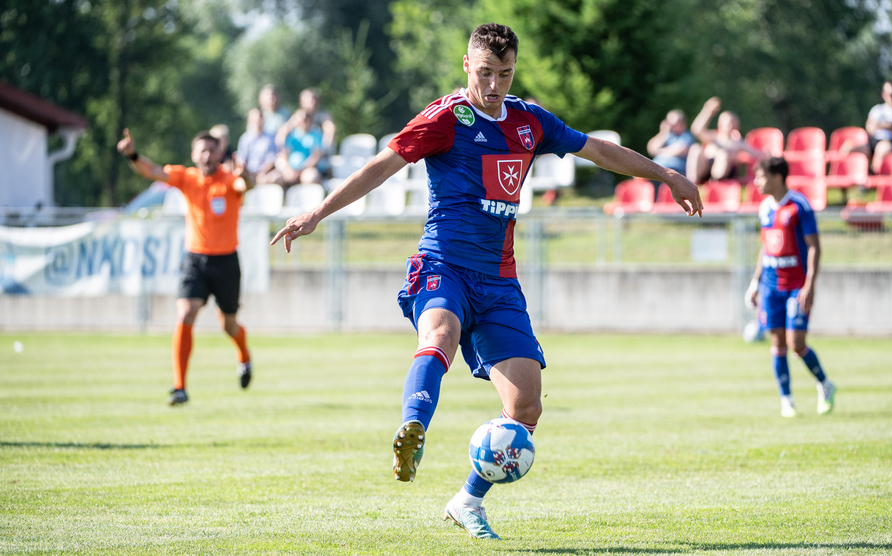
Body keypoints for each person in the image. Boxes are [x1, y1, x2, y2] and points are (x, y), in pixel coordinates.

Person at [271, 23, 702, 540]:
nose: (495, 84)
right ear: (466, 66)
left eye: (505, 73)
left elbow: (599, 151)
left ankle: (467, 501)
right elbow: (382, 165)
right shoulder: (445, 117)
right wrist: (317, 212)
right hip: (443, 265)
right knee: (440, 334)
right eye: (485, 73)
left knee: (527, 406)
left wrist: (667, 175)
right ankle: (414, 426)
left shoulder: (529, 120)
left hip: (498, 282)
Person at [116, 128, 255, 406]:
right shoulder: (187, 177)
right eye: (202, 150)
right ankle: (179, 387)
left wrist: (246, 175)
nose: (207, 155)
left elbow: (246, 185)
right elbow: (151, 171)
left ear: (219, 154)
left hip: (226, 261)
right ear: (194, 155)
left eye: (212, 150)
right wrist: (132, 154)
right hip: (195, 260)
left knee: (228, 325)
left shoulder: (229, 179)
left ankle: (244, 356)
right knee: (185, 313)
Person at [744, 157, 835, 418]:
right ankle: (787, 401)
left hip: (796, 286)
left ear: (777, 177)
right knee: (777, 342)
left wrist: (809, 285)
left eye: (761, 176)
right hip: (771, 287)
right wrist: (755, 282)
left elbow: (814, 247)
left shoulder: (799, 206)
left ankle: (825, 384)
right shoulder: (764, 208)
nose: (756, 182)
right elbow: (766, 247)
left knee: (796, 343)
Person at [686, 97, 761, 184]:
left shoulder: (738, 142)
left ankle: (715, 183)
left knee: (723, 154)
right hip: (706, 167)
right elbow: (696, 130)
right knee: (695, 148)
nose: (729, 124)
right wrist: (707, 111)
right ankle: (691, 182)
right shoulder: (713, 137)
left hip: (723, 172)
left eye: (732, 122)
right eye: (727, 121)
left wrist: (767, 153)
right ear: (720, 123)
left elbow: (755, 153)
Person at [848, 81, 892, 174]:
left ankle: (873, 175)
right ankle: (853, 175)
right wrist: (889, 125)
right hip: (873, 142)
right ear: (884, 95)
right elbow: (869, 128)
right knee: (849, 149)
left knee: (880, 149)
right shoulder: (877, 109)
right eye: (891, 94)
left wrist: (879, 125)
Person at [271, 111, 325, 187]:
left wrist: (301, 169)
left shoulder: (315, 135)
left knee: (311, 178)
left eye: (305, 119)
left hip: (306, 170)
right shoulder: (291, 135)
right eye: (301, 119)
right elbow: (283, 151)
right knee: (275, 178)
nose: (303, 122)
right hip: (289, 169)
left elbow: (316, 156)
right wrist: (288, 168)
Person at [647, 109, 695, 175]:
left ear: (683, 123)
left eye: (676, 122)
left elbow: (679, 151)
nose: (673, 124)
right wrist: (663, 132)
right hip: (657, 168)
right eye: (670, 121)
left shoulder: (687, 136)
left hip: (676, 170)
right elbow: (652, 149)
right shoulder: (667, 135)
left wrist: (658, 151)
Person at [236, 109, 278, 182]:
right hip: (248, 173)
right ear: (249, 120)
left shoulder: (270, 138)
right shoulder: (244, 139)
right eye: (255, 119)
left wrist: (258, 172)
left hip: (265, 173)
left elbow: (271, 160)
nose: (258, 121)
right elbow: (241, 159)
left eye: (259, 118)